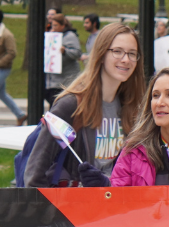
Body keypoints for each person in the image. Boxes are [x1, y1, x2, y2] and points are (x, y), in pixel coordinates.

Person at [20, 23, 144, 188]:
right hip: (72, 208)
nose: (126, 59)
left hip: (112, 207)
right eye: (117, 51)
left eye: (132, 53)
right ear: (101, 54)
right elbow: (34, 174)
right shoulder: (71, 106)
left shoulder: (131, 109)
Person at [43, 13, 83, 110]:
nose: (53, 27)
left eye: (56, 25)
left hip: (65, 79)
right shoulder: (52, 36)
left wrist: (65, 51)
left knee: (58, 106)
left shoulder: (70, 36)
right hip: (53, 79)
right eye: (52, 25)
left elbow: (77, 53)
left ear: (63, 25)